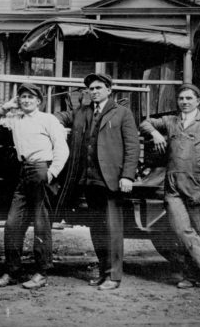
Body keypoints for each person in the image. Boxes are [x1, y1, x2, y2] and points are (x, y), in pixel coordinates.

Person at [139, 83, 200, 290]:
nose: (184, 102)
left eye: (189, 99)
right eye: (181, 99)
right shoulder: (170, 122)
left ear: (197, 101)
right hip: (174, 186)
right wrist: (156, 134)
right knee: (181, 230)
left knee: (198, 232)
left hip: (198, 185)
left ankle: (193, 277)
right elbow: (145, 123)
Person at [55, 73, 139, 291]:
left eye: (98, 88)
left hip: (111, 180)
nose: (94, 92)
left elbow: (132, 147)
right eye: (91, 89)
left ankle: (114, 276)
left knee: (113, 229)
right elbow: (60, 117)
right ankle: (103, 273)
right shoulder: (82, 112)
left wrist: (127, 176)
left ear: (109, 90)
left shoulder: (123, 113)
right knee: (98, 230)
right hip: (88, 181)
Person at [0, 83, 69, 289]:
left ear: (39, 101)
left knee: (41, 223)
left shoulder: (48, 119)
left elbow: (62, 147)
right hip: (23, 171)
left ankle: (41, 273)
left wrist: (52, 173)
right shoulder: (15, 120)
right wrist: (8, 105)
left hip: (42, 169)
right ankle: (12, 271)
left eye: (30, 98)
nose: (26, 101)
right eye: (22, 97)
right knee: (13, 223)